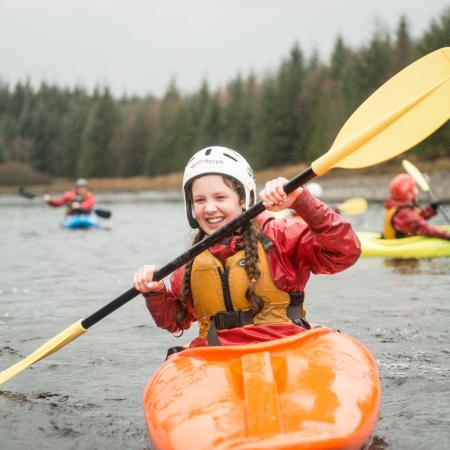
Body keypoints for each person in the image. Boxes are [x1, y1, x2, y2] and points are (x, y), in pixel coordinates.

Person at [133, 146, 361, 348]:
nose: (210, 208)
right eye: (200, 200)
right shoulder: (190, 262)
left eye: (220, 197)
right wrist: (156, 293)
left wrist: (302, 200)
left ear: (243, 200)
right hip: (218, 357)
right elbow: (175, 321)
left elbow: (345, 251)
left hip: (284, 350)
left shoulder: (279, 237)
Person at [384, 173, 450, 240]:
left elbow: (414, 219)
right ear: (408, 193)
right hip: (400, 246)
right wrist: (446, 235)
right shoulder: (403, 213)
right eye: (414, 188)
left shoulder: (398, 208)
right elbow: (425, 228)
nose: (416, 191)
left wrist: (431, 209)